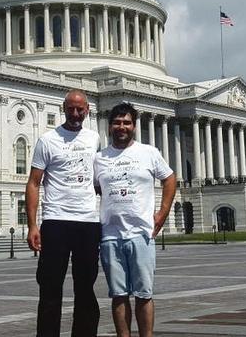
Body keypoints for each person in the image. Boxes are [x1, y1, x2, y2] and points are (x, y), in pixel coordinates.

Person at [93, 102, 176, 337]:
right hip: (110, 235)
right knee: (118, 295)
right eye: (117, 123)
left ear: (134, 126)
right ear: (109, 126)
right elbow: (96, 188)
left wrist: (163, 212)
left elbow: (170, 178)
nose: (122, 127)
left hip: (141, 234)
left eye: (126, 122)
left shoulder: (149, 153)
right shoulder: (99, 159)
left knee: (144, 294)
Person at [26, 89, 101, 337]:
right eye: (71, 109)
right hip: (56, 220)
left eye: (80, 109)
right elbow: (34, 183)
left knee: (86, 288)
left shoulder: (94, 138)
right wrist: (33, 225)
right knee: (49, 288)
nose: (76, 114)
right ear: (63, 109)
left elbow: (99, 180)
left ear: (88, 110)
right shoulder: (47, 140)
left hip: (87, 221)